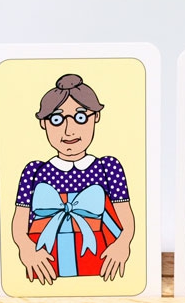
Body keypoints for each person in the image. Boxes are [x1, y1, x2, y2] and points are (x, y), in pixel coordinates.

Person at [11, 75, 135, 284]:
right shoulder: (34, 172)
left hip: (100, 266)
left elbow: (126, 219)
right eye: (57, 120)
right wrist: (26, 249)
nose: (69, 131)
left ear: (96, 116)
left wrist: (123, 244)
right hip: (46, 264)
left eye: (80, 117)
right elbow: (19, 223)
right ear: (43, 123)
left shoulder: (108, 168)